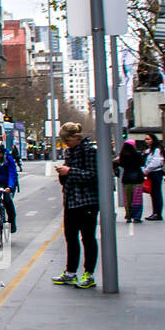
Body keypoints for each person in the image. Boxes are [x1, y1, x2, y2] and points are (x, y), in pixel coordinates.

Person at [53, 122, 99, 288]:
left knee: (88, 238)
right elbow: (67, 180)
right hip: (71, 200)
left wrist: (70, 171)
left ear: (76, 137)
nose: (66, 144)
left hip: (87, 201)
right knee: (70, 238)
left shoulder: (90, 151)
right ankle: (71, 272)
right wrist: (63, 174)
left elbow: (94, 176)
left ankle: (89, 274)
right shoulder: (69, 152)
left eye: (67, 140)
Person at [118, 138, 145, 223]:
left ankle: (128, 216)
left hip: (126, 179)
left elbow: (121, 165)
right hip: (137, 178)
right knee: (137, 199)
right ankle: (136, 217)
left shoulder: (122, 155)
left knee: (127, 199)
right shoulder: (137, 154)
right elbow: (142, 163)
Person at [142, 133, 165, 221]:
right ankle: (155, 212)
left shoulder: (157, 150)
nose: (146, 141)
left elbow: (155, 162)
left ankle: (157, 213)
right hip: (152, 173)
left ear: (153, 140)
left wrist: (146, 170)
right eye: (145, 139)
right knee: (154, 194)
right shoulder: (151, 150)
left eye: (148, 139)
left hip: (156, 173)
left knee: (156, 194)